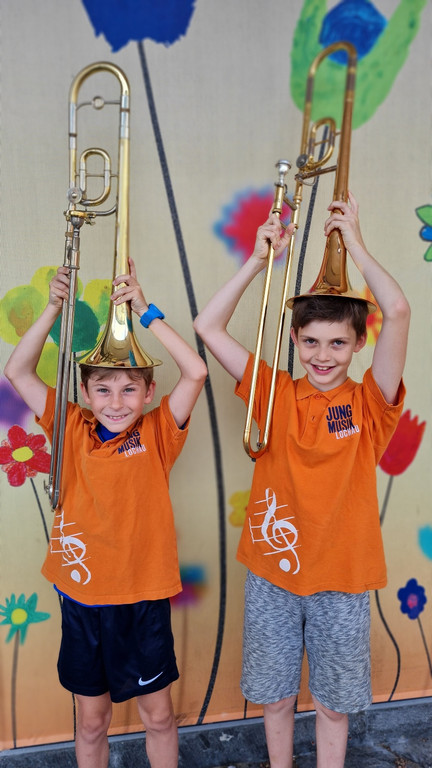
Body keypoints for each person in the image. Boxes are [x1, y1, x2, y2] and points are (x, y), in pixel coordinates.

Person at [193, 192, 410, 768]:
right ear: (294, 340)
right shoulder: (274, 393)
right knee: (276, 698)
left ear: (359, 344)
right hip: (273, 574)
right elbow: (207, 326)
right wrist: (257, 261)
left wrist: (355, 244)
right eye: (310, 341)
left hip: (343, 577)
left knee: (334, 706)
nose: (323, 355)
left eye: (338, 343)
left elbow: (399, 310)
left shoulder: (371, 403)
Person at [5, 258, 208, 768]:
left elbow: (197, 371)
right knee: (92, 722)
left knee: (158, 718)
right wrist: (53, 308)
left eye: (129, 389)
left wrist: (146, 310)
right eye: (103, 389)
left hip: (143, 599)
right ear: (85, 391)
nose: (116, 402)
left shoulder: (158, 432)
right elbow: (17, 371)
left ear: (149, 392)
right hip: (83, 600)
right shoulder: (68, 424)